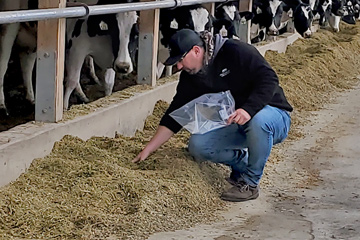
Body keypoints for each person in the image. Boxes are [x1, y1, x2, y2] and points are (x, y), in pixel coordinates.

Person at [132, 28, 293, 202]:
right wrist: (148, 150)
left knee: (258, 121)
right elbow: (175, 114)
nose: (178, 67)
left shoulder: (235, 51)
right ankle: (243, 164)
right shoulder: (191, 76)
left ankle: (250, 183)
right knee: (198, 145)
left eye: (180, 60)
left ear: (196, 50)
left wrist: (248, 109)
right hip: (238, 123)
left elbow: (269, 79)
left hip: (273, 115)